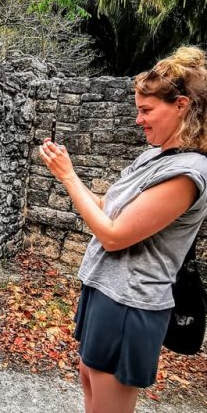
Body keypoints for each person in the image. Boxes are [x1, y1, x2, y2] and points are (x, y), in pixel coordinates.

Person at [39, 46, 207, 413]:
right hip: (104, 289)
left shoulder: (188, 173)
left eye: (146, 111)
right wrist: (65, 171)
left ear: (181, 105)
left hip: (131, 303)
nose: (138, 120)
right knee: (88, 376)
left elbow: (114, 235)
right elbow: (106, 209)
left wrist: (68, 177)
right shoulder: (155, 156)